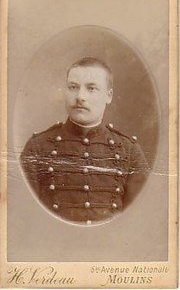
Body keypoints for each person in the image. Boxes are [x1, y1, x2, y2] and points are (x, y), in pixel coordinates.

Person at [21, 57, 149, 225]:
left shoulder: (129, 150)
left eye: (91, 88)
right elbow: (22, 219)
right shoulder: (37, 147)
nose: (80, 96)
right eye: (73, 87)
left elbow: (142, 220)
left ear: (108, 96)